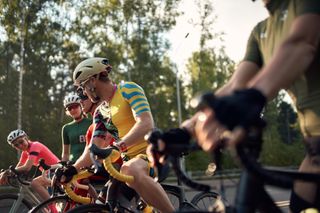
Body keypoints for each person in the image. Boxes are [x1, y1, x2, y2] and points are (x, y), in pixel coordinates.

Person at [174, 0, 320, 212]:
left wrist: (253, 96)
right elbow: (235, 85)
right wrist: (184, 131)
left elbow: (302, 43)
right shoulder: (261, 32)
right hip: (314, 150)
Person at [61, 57, 174, 212]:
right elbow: (93, 148)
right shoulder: (100, 112)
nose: (83, 92)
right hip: (129, 164)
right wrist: (73, 169)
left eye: (82, 86)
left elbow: (146, 123)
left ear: (93, 80)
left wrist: (119, 145)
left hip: (153, 155)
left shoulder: (128, 89)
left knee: (129, 169)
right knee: (103, 204)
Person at [0, 129, 60, 201]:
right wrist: (9, 174)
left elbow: (27, 167)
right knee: (58, 204)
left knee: (34, 183)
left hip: (57, 171)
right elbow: (17, 168)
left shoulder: (35, 145)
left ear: (26, 138)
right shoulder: (25, 153)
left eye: (21, 142)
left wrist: (7, 172)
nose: (20, 146)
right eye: (16, 145)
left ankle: (51, 208)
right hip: (49, 174)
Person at [61, 93, 92, 162]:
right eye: (69, 108)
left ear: (81, 106)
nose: (72, 110)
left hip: (91, 162)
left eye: (75, 106)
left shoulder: (92, 123)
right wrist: (62, 164)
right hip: (74, 164)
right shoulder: (66, 128)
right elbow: (65, 154)